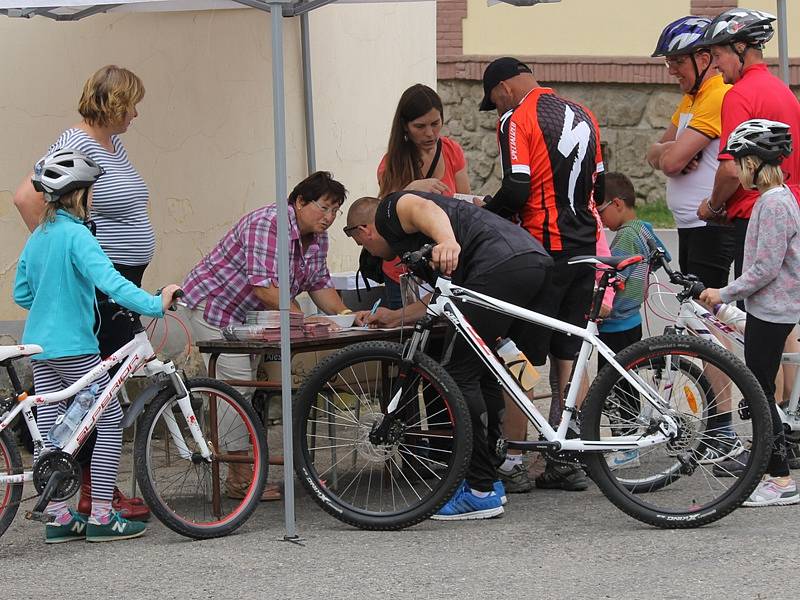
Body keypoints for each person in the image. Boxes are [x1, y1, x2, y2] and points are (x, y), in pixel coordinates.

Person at [345, 191, 552, 520]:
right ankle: (490, 480)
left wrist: (446, 241)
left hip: (498, 264)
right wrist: (395, 316)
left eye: (361, 243)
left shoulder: (390, 210)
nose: (367, 251)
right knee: (482, 371)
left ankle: (480, 490)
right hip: (527, 261)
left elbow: (423, 207)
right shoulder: (416, 245)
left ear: (363, 230)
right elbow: (446, 301)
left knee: (458, 375)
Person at [13, 149, 181, 542]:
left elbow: (23, 292)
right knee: (105, 421)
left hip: (39, 345)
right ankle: (103, 515)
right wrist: (156, 303)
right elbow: (114, 284)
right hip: (74, 346)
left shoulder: (39, 235)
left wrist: (54, 296)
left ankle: (57, 516)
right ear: (79, 195)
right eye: (91, 192)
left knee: (52, 429)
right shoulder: (78, 236)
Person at [13, 65, 154, 521]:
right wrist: (63, 257)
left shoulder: (113, 143)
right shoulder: (75, 144)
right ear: (112, 102)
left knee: (84, 395)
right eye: (131, 103)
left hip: (120, 277)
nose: (136, 112)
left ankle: (74, 499)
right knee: (96, 397)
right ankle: (97, 496)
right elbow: (27, 198)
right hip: (103, 286)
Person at [181, 171, 355, 500]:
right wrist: (305, 320)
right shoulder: (269, 223)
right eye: (324, 208)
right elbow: (265, 289)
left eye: (336, 211)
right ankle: (239, 478)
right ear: (300, 202)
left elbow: (320, 285)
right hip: (214, 307)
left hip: (253, 317)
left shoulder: (317, 238)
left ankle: (247, 463)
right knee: (236, 387)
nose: (329, 218)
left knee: (253, 387)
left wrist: (345, 316)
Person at [478, 56, 604, 491]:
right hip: (584, 248)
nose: (495, 110)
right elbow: (600, 188)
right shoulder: (585, 113)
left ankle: (514, 459)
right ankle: (568, 455)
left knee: (520, 353)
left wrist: (484, 217)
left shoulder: (517, 117)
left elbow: (516, 188)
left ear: (504, 89)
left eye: (493, 102)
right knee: (569, 352)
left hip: (542, 250)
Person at [699, 120, 800, 507]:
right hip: (770, 307)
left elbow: (764, 269)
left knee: (760, 395)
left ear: (756, 162)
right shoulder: (777, 197)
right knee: (761, 391)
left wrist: (721, 291)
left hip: (773, 310)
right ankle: (774, 471)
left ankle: (779, 479)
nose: (736, 169)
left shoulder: (773, 203)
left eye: (740, 161)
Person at [646, 16, 735, 290]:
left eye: (678, 61)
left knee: (705, 314)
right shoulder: (692, 97)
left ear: (705, 58)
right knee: (697, 311)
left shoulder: (716, 95)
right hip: (690, 224)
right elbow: (653, 153)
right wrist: (672, 149)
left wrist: (669, 153)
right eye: (669, 62)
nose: (672, 70)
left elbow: (670, 164)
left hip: (709, 226)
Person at [377, 84, 471, 309]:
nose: (430, 133)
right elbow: (385, 215)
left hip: (445, 263)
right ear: (405, 127)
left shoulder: (452, 150)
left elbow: (464, 202)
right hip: (405, 270)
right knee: (408, 339)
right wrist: (411, 188)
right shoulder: (391, 163)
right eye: (420, 126)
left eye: (435, 124)